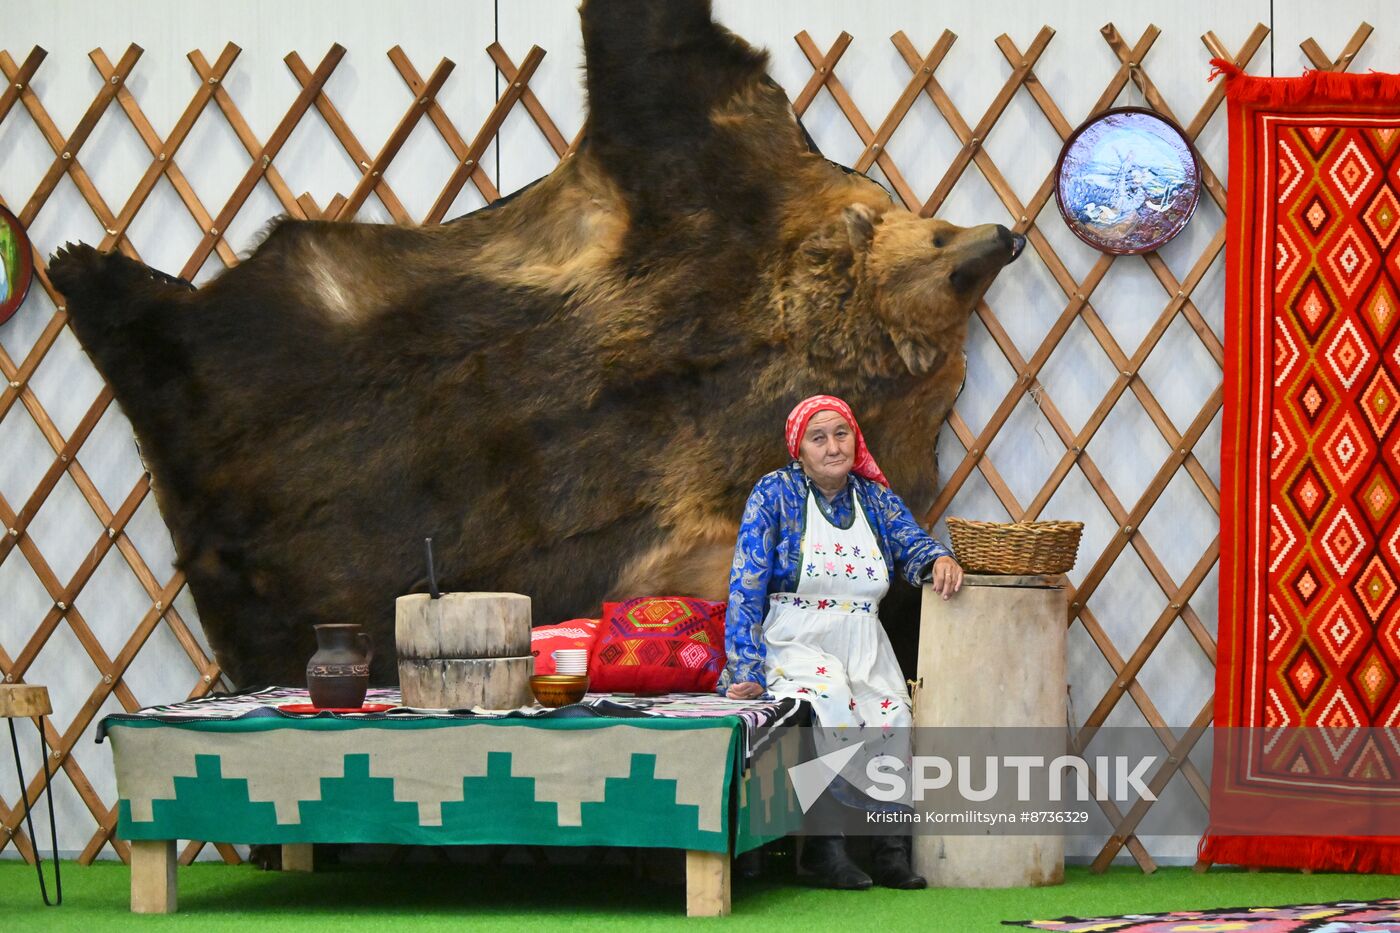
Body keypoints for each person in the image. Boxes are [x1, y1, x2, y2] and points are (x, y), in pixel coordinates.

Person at [721, 394, 963, 890]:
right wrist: (745, 668)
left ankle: (888, 851)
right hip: (795, 637)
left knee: (891, 712)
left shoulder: (873, 498)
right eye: (819, 437)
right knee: (828, 696)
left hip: (863, 638)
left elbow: (910, 540)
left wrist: (937, 558)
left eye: (841, 434)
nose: (833, 447)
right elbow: (746, 583)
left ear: (855, 438)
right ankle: (822, 850)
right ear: (799, 450)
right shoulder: (776, 494)